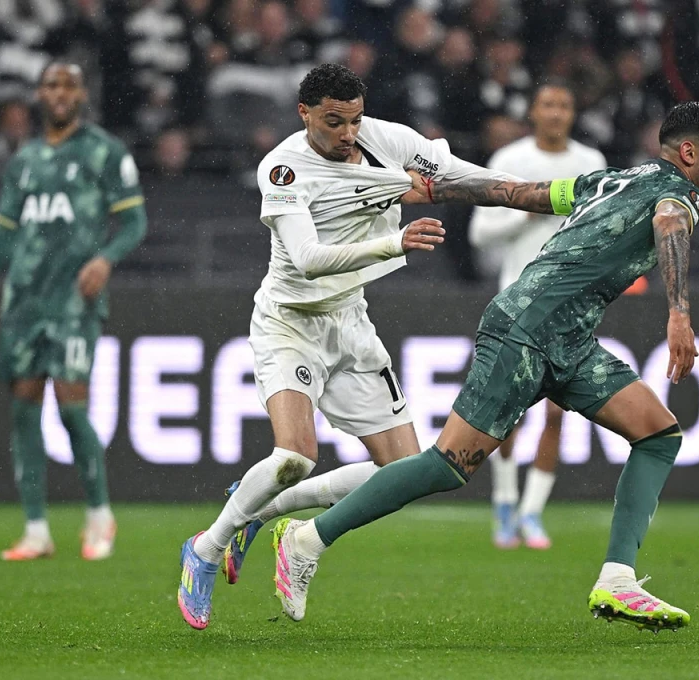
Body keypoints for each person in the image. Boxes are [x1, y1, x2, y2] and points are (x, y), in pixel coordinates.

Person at [270, 101, 699, 632]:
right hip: (527, 329)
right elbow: (670, 220)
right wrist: (679, 313)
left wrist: (441, 188)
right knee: (447, 466)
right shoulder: (682, 195)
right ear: (689, 152)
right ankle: (306, 539)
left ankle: (618, 579)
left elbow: (518, 195)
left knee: (658, 435)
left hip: (568, 338)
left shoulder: (611, 179)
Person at [176, 63, 544, 630]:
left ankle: (261, 512)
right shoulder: (282, 169)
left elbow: (460, 175)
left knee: (404, 470)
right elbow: (308, 260)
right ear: (304, 114)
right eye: (333, 122)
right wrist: (394, 239)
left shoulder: (385, 141)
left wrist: (542, 197)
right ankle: (205, 549)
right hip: (290, 321)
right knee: (295, 456)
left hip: (349, 322)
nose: (348, 133)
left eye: (353, 119)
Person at [0, 62, 147, 562]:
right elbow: (4, 232)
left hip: (73, 301)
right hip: (24, 300)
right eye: (52, 85)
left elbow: (134, 223)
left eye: (69, 85)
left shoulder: (105, 151)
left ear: (82, 94)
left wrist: (105, 258)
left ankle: (99, 515)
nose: (60, 94)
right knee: (23, 408)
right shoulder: (25, 160)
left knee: (72, 405)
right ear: (39, 94)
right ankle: (36, 529)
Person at [469, 81, 607, 550]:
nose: (556, 112)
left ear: (573, 112)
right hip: (519, 298)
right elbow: (480, 232)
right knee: (510, 411)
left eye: (564, 104)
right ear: (533, 112)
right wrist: (524, 213)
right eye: (548, 103)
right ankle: (505, 503)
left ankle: (532, 513)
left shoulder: (591, 163)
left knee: (556, 411)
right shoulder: (510, 160)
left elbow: (606, 227)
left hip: (570, 301)